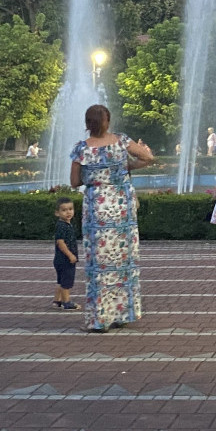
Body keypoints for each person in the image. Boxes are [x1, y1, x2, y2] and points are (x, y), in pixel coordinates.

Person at [70, 104, 156, 333]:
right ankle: (122, 312)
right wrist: (126, 167)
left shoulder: (81, 149)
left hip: (97, 208)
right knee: (122, 262)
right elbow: (148, 157)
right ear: (108, 121)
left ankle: (100, 318)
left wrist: (97, 177)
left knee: (99, 264)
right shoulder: (121, 141)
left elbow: (74, 181)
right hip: (121, 206)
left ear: (88, 124)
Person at [51, 197, 80, 310]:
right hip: (65, 260)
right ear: (57, 213)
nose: (68, 212)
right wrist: (70, 255)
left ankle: (56, 301)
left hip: (59, 260)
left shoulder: (65, 225)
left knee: (60, 281)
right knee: (66, 282)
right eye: (64, 210)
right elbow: (60, 243)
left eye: (70, 209)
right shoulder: (62, 226)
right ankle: (66, 302)